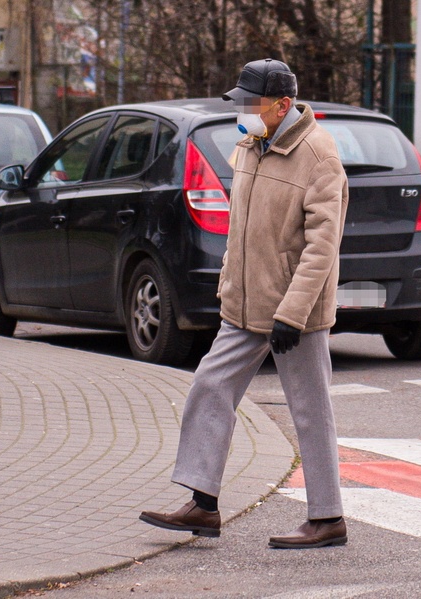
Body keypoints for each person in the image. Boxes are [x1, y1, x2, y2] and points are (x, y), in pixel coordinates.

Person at [139, 58, 350, 549]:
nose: (242, 113)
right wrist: (229, 288)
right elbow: (242, 229)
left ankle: (327, 517)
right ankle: (203, 503)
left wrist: (293, 314)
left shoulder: (319, 155)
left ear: (281, 105)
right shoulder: (251, 146)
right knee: (210, 386)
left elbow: (323, 246)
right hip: (246, 306)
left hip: (292, 313)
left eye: (250, 105)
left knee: (310, 410)